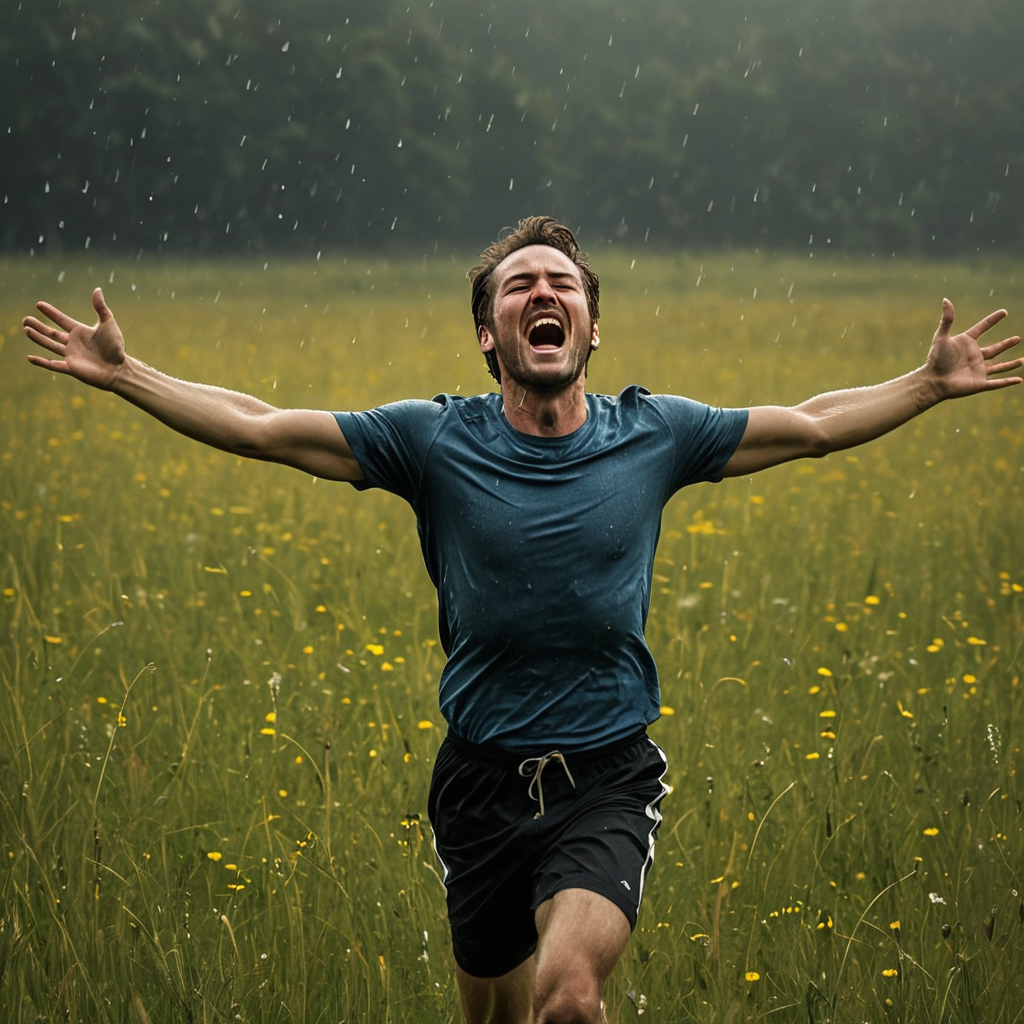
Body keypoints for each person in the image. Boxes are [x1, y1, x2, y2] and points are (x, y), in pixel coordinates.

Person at [23, 216, 1022, 1024]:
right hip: (478, 783)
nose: (542, 294)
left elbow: (805, 427)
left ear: (592, 327)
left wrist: (926, 383)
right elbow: (258, 426)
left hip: (606, 774)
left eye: (563, 285)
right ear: (487, 333)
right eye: (517, 287)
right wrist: (126, 374)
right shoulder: (430, 441)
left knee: (569, 997)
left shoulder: (655, 434)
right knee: (495, 1013)